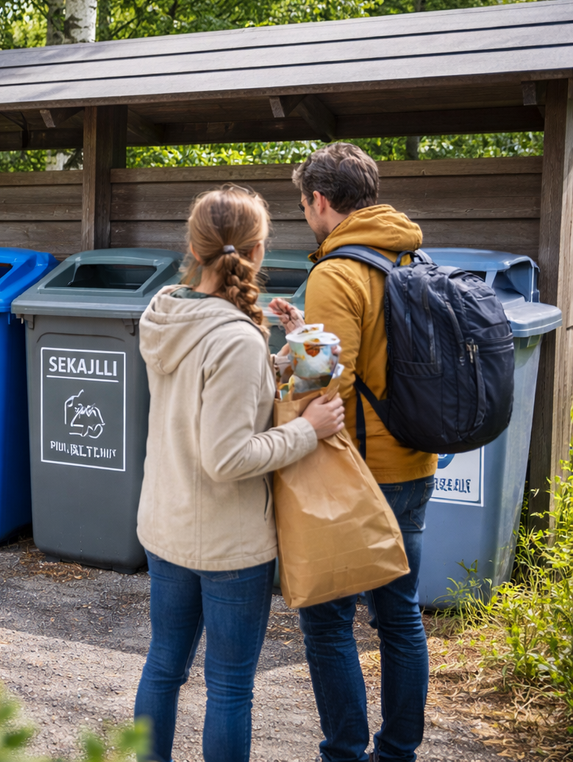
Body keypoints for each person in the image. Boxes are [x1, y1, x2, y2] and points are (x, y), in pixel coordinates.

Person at [134, 184, 346, 762]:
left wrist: (281, 345)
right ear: (255, 251)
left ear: (195, 246)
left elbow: (218, 395)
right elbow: (227, 458)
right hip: (228, 544)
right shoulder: (233, 337)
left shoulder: (166, 310)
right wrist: (310, 431)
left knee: (163, 668)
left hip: (165, 524)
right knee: (228, 687)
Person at [274, 142, 438, 762]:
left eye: (303, 204)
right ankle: (398, 752)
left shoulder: (336, 271)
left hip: (358, 470)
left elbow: (327, 386)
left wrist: (287, 370)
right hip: (415, 460)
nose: (305, 214)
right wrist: (303, 334)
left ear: (320, 201)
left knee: (327, 621)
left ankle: (344, 752)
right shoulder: (410, 254)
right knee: (400, 618)